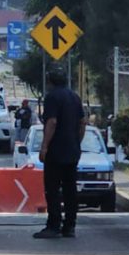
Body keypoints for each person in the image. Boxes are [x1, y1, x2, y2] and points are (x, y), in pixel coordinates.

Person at [33, 71, 86, 239]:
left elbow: (52, 122)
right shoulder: (75, 97)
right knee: (70, 189)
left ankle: (53, 225)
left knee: (53, 188)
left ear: (50, 81)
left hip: (56, 149)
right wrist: (77, 142)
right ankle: (70, 225)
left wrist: (44, 147)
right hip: (72, 150)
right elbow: (82, 122)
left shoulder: (52, 97)